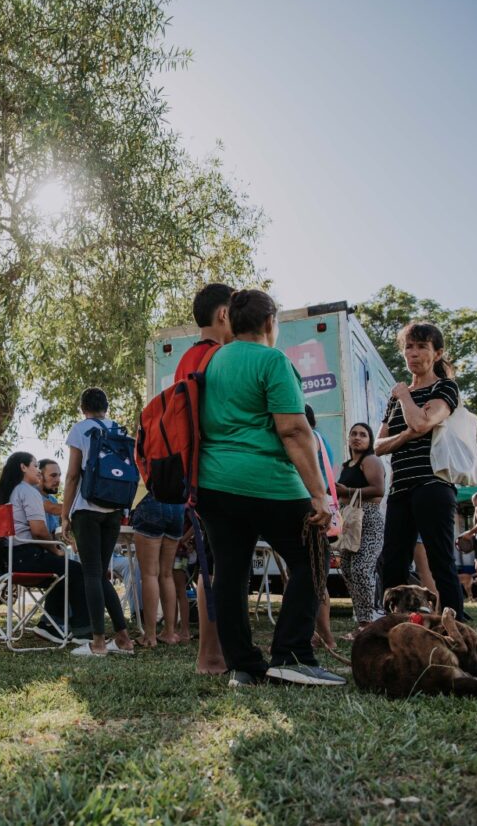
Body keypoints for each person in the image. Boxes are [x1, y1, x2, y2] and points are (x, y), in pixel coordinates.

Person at [194, 290, 343, 688]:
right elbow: (294, 430)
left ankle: (243, 667)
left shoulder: (213, 361)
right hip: (268, 482)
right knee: (312, 554)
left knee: (230, 572)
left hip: (214, 484)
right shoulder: (273, 359)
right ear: (269, 323)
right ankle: (292, 655)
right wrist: (318, 494)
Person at [376, 322, 468, 619]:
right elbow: (378, 446)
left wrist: (405, 395)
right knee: (392, 563)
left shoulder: (445, 388)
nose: (413, 354)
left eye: (421, 347)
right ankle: (394, 623)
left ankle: (455, 624)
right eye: (409, 347)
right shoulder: (394, 397)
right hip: (400, 487)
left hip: (433, 485)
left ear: (437, 353)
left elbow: (420, 423)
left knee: (440, 560)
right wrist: (405, 436)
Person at [176, 282, 234, 675]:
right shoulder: (217, 357)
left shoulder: (187, 358)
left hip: (194, 474)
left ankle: (212, 654)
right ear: (224, 314)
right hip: (216, 470)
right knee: (220, 567)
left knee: (209, 565)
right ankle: (211, 657)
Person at [61, 388, 136, 657]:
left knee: (92, 574)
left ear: (83, 408)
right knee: (101, 573)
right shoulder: (119, 429)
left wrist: (64, 514)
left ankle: (99, 643)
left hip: (87, 509)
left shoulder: (81, 429)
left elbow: (72, 476)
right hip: (114, 509)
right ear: (106, 406)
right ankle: (124, 639)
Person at [0, 452, 90, 643]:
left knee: (62, 569)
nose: (38, 471)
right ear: (23, 467)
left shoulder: (6, 492)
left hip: (7, 558)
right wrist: (55, 549)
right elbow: (38, 531)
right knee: (76, 570)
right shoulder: (28, 491)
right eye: (35, 466)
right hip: (25, 556)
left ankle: (50, 624)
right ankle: (83, 632)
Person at [335, 422, 386, 639]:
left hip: (369, 519)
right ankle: (362, 620)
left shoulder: (370, 460)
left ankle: (368, 623)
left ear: (369, 440)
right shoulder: (346, 465)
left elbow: (378, 490)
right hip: (349, 520)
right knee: (347, 569)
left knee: (362, 569)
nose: (357, 438)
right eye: (354, 434)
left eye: (363, 434)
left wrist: (347, 490)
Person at [304, 404, 338, 652]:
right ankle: (318, 634)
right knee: (314, 574)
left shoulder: (309, 439)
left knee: (314, 577)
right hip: (319, 509)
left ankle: (326, 636)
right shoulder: (322, 439)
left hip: (311, 511)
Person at [130, 489, 183, 648]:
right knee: (167, 575)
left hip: (150, 500)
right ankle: (169, 632)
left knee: (149, 575)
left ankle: (150, 636)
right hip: (177, 505)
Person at [39, 459, 63, 537]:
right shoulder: (32, 494)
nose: (58, 480)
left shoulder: (53, 500)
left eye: (59, 475)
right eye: (53, 475)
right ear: (40, 476)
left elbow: (55, 531)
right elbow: (53, 508)